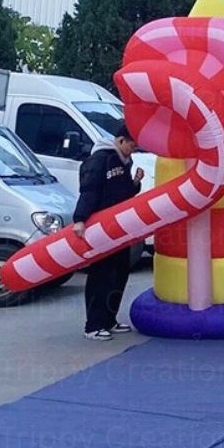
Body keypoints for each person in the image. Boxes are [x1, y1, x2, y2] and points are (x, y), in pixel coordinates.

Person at [72, 122, 144, 341]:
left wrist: (136, 183)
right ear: (121, 141)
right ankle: (93, 325)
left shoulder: (125, 161)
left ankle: (109, 319)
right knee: (101, 274)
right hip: (99, 229)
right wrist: (80, 219)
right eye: (132, 145)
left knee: (119, 272)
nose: (134, 150)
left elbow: (123, 193)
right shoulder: (99, 160)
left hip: (119, 228)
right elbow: (89, 190)